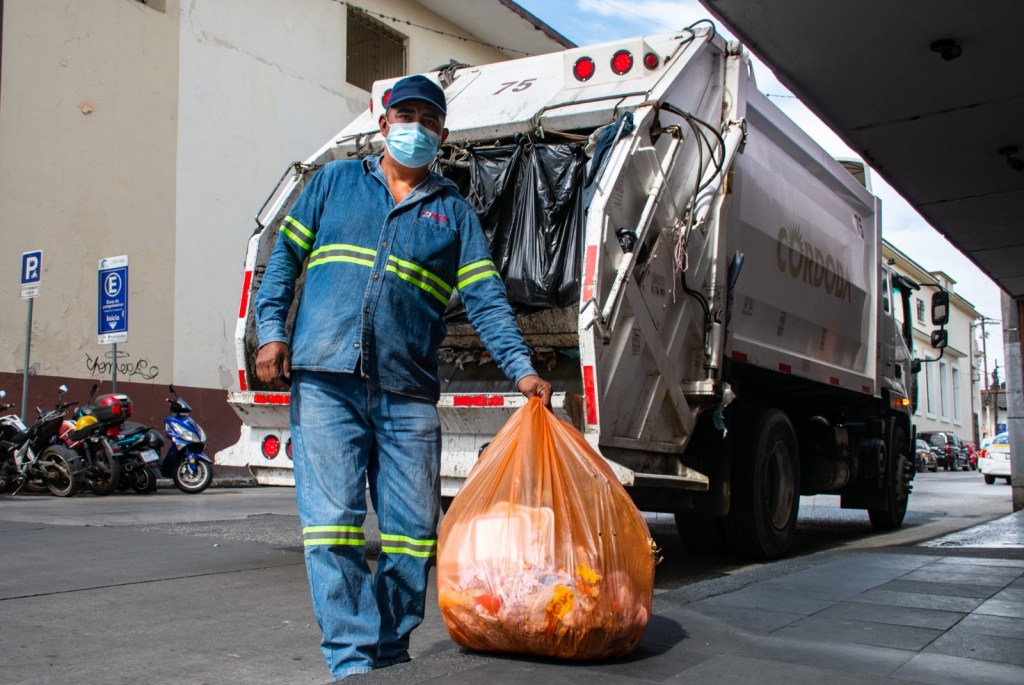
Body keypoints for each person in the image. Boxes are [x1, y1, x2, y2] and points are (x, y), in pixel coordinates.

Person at [253, 74, 551, 681]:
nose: (416, 126)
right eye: (405, 114)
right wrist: (271, 330)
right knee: (333, 530)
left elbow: (488, 299)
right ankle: (354, 661)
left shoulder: (454, 214)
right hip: (327, 379)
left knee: (413, 537)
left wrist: (522, 369)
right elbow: (283, 257)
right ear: (385, 123)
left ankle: (390, 653)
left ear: (442, 134)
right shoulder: (334, 183)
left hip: (407, 391)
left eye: (429, 118)